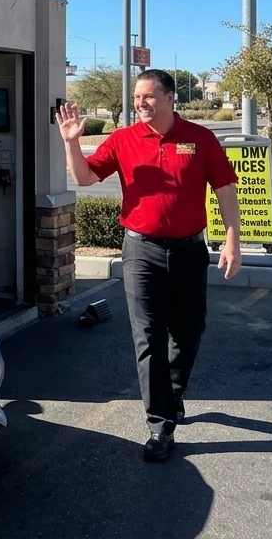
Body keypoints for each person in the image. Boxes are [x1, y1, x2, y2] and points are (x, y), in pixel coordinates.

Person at [57, 69, 242, 462]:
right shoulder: (123, 139)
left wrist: (232, 240)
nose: (140, 103)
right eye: (137, 97)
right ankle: (160, 424)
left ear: (171, 98)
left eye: (148, 97)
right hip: (141, 252)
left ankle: (173, 394)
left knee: (189, 331)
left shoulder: (200, 138)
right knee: (148, 337)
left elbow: (225, 187)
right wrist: (72, 144)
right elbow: (86, 177)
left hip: (190, 252)